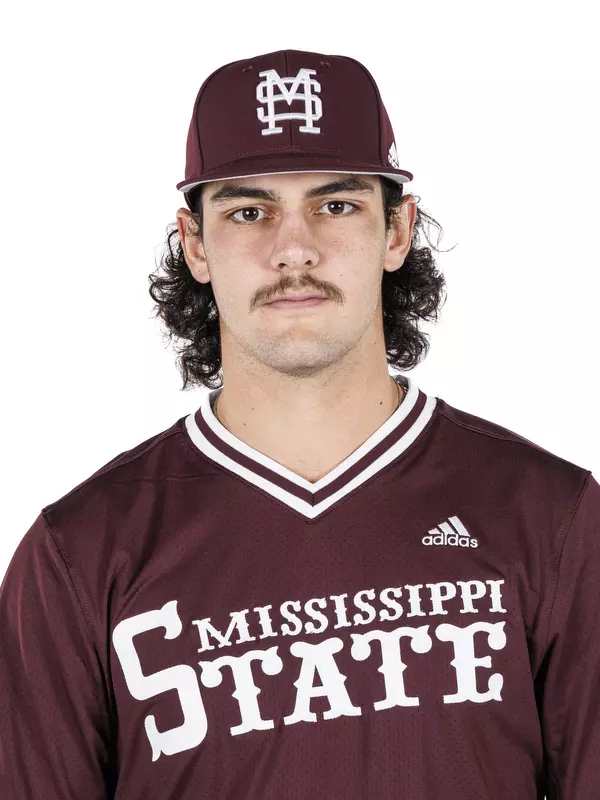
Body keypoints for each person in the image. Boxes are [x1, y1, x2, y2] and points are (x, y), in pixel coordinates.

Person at [0, 48, 598, 800]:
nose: (294, 249)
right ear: (195, 243)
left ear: (397, 230)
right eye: (249, 212)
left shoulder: (551, 516)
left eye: (335, 205)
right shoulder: (78, 554)